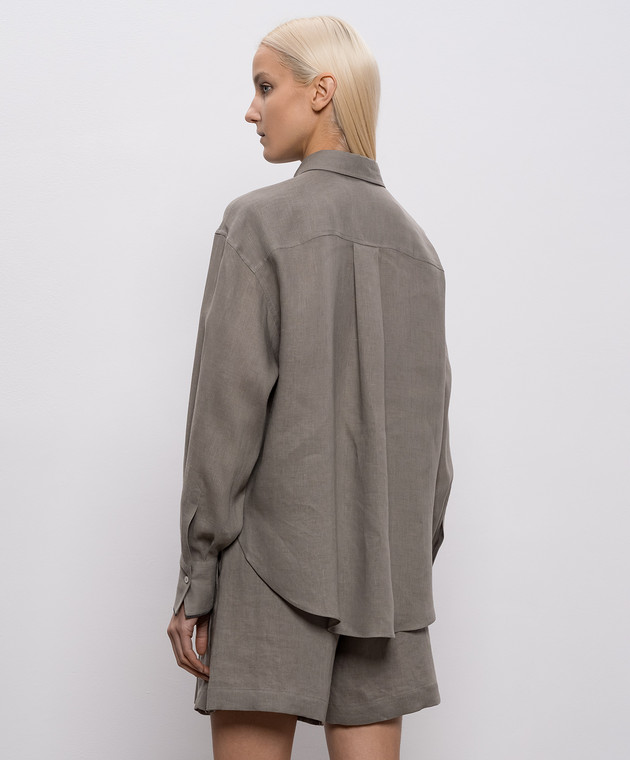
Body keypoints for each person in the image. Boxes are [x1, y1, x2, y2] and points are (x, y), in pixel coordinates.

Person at [167, 15, 454, 760]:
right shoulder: (419, 250)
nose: (251, 109)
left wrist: (199, 577)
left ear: (321, 91)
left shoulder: (256, 225)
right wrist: (399, 567)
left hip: (268, 569)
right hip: (383, 583)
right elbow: (435, 457)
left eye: (265, 87)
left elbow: (224, 423)